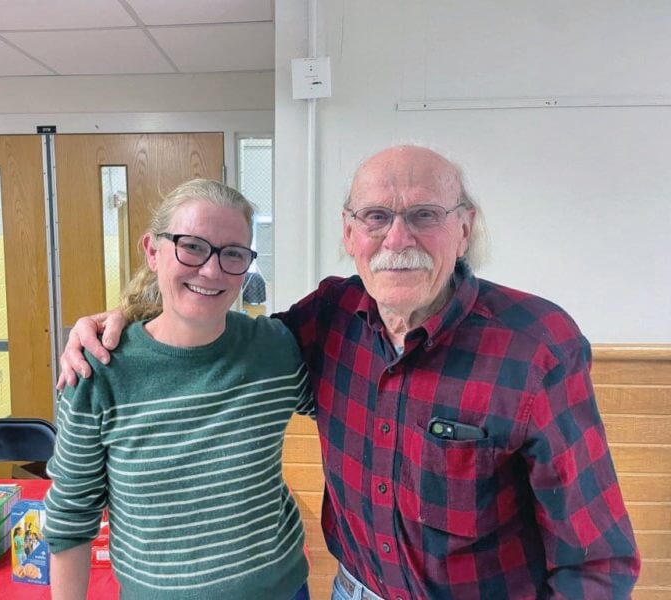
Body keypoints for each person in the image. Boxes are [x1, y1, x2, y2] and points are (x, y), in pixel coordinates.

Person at [58, 146, 640, 599]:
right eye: (376, 216)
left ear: (464, 228)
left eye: (425, 215)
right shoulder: (326, 320)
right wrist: (122, 320)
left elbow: (595, 556)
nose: (397, 237)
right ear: (349, 233)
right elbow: (199, 320)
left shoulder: (535, 344)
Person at [44, 179, 312, 600]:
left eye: (233, 254)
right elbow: (70, 518)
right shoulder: (99, 370)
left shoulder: (274, 350)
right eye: (192, 246)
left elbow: (350, 400)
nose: (211, 269)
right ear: (152, 251)